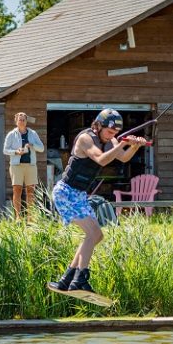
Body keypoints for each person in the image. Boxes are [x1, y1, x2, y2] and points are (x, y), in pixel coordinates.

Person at [48, 108, 146, 294]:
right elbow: (101, 160)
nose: (112, 136)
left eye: (115, 133)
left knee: (97, 236)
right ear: (98, 125)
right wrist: (119, 144)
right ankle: (80, 279)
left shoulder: (109, 140)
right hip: (66, 193)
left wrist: (134, 146)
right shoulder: (86, 139)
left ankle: (67, 280)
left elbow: (123, 158)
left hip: (80, 195)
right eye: (110, 132)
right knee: (93, 235)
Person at [3, 112, 45, 218]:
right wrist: (16, 152)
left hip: (30, 165)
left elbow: (41, 148)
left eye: (23, 120)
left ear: (26, 121)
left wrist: (32, 145)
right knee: (17, 190)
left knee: (30, 191)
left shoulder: (33, 133)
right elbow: (5, 150)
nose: (22, 121)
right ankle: (18, 217)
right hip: (16, 166)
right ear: (16, 121)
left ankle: (30, 217)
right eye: (20, 120)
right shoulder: (11, 134)